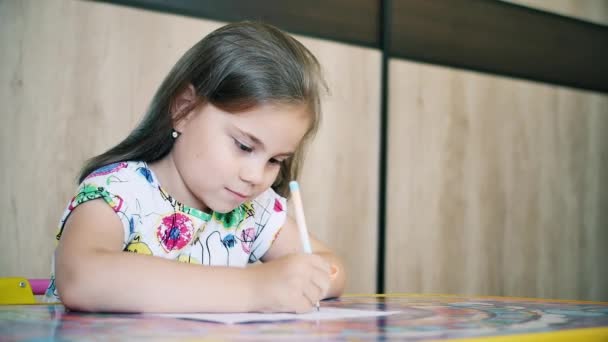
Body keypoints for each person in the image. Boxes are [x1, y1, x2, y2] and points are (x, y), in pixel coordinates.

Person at [45, 21, 346, 313]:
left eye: (275, 160)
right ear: (184, 108)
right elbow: (81, 277)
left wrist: (308, 276)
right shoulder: (118, 193)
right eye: (243, 146)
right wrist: (254, 288)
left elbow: (334, 269)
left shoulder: (254, 212)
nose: (255, 176)